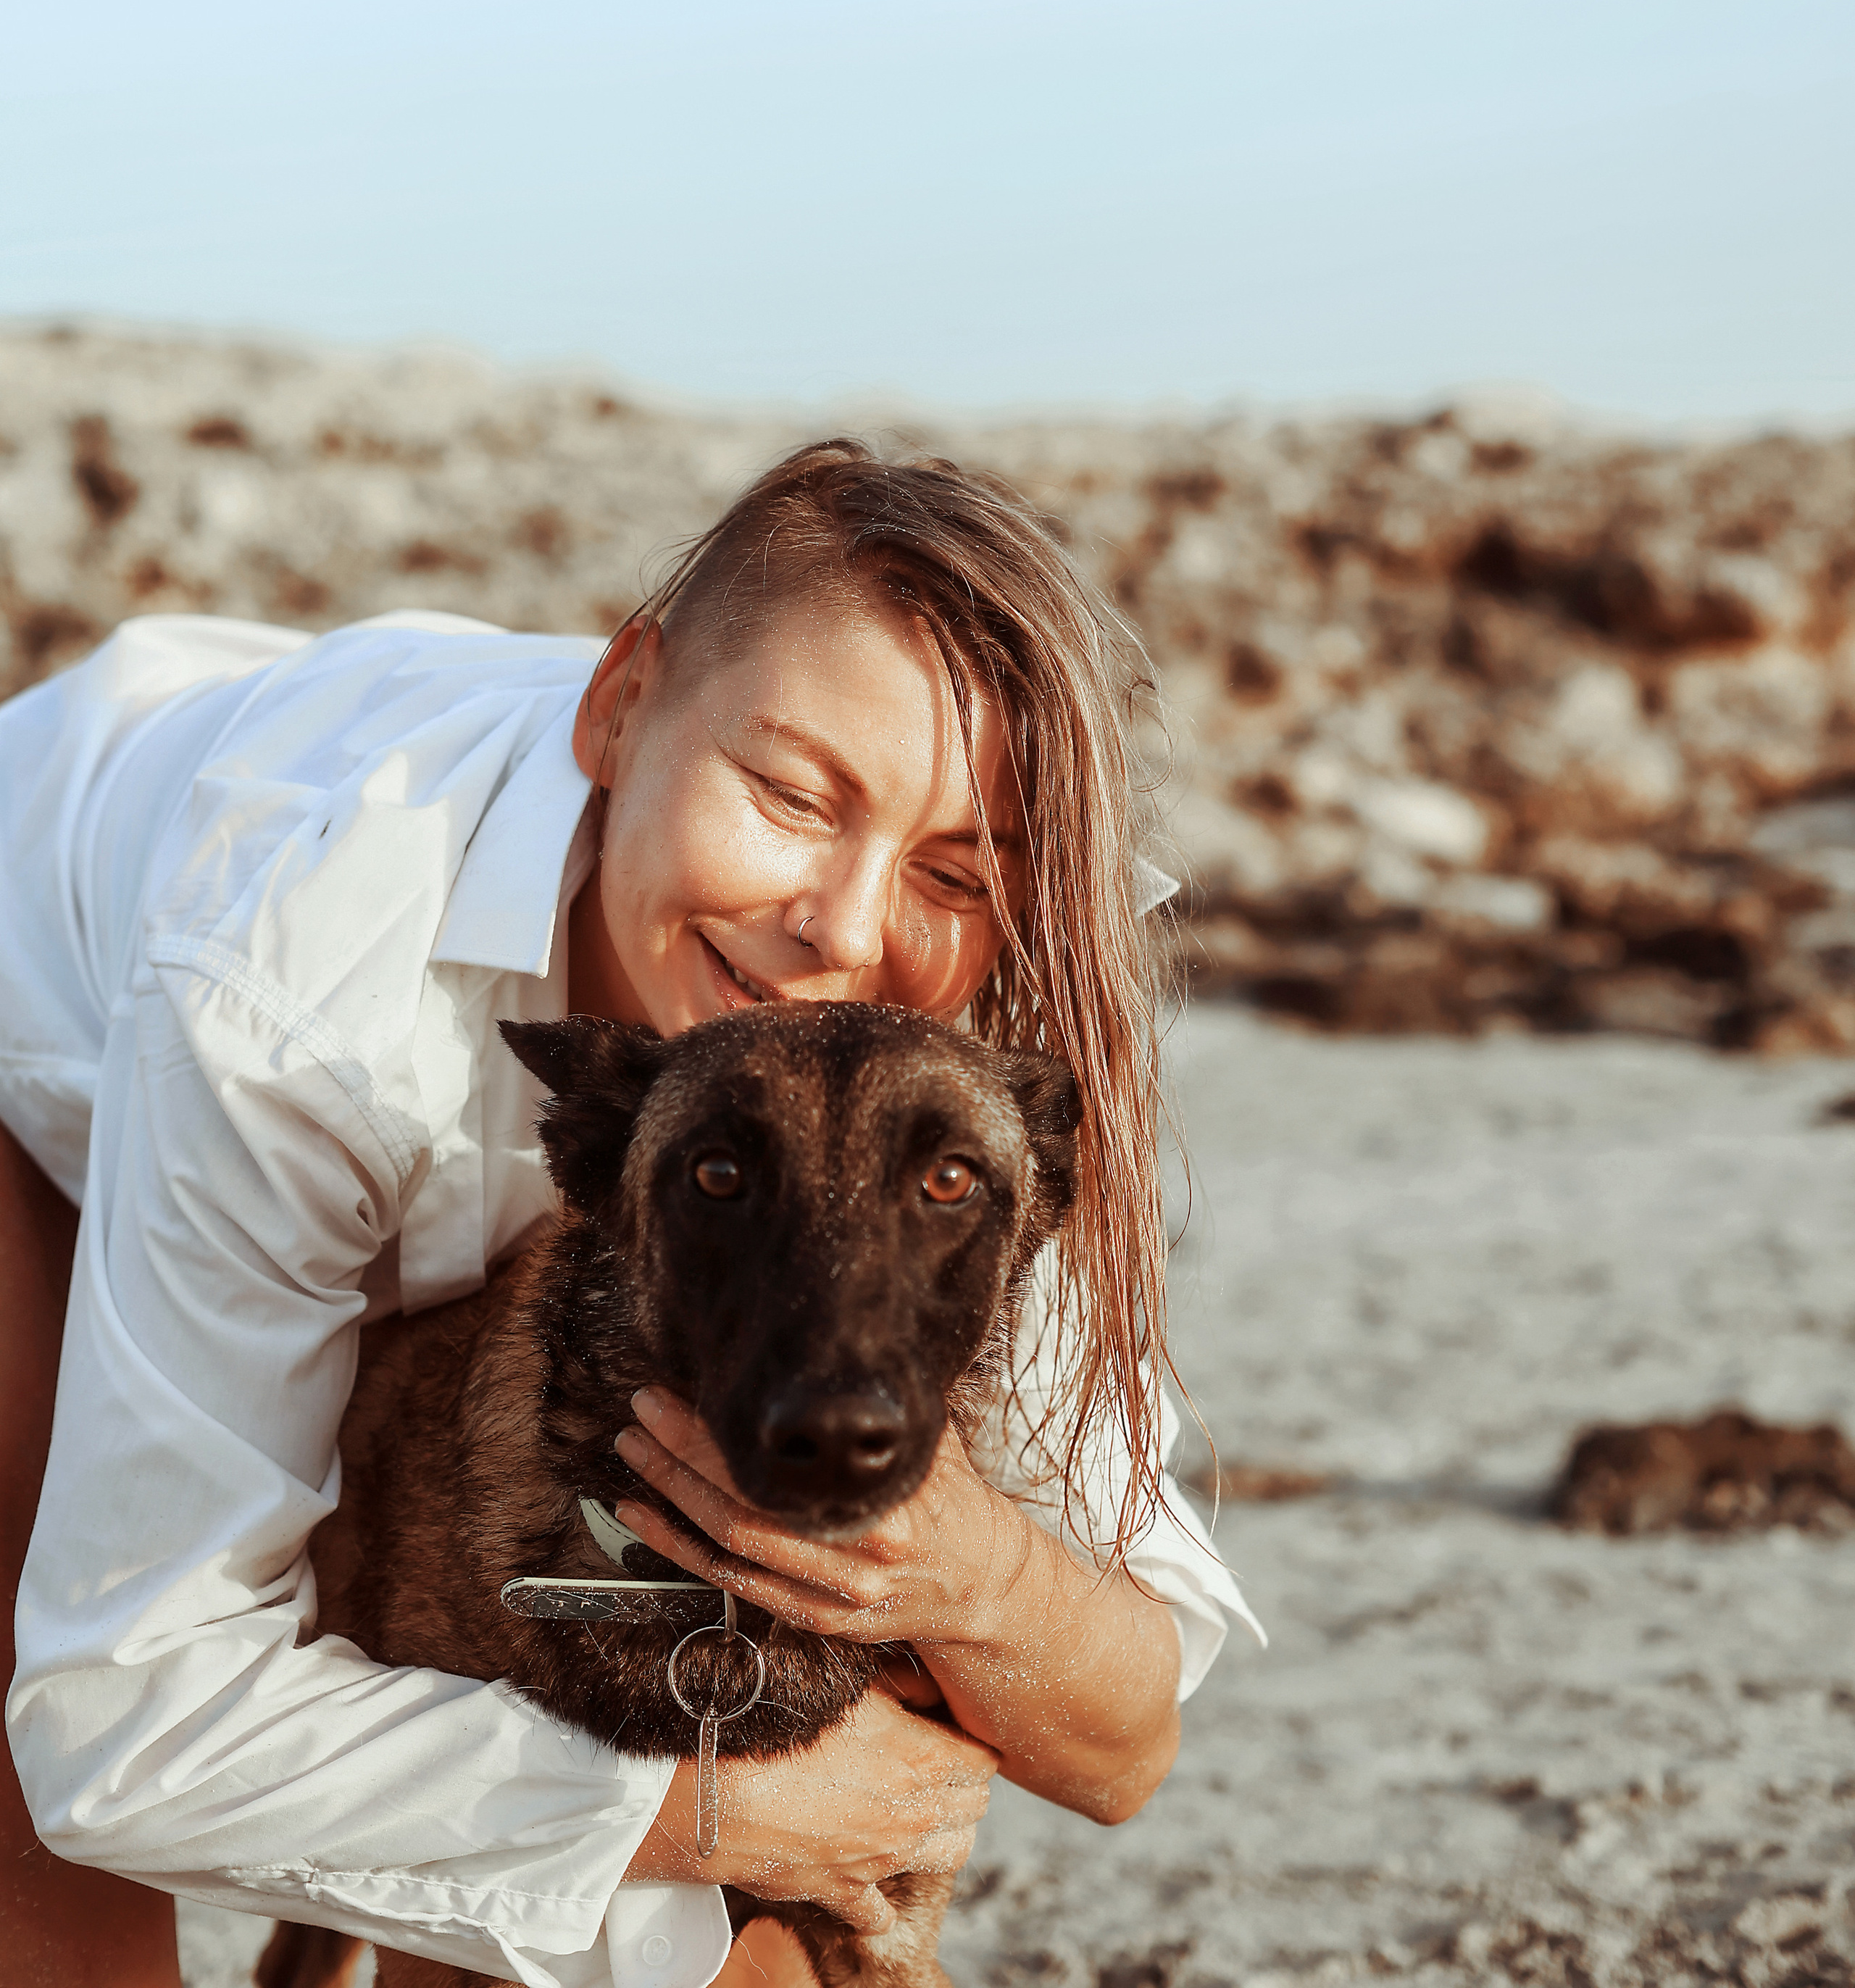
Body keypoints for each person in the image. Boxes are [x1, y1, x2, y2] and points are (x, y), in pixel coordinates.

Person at [1, 439, 1256, 1988]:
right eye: (789, 796)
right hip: (44, 995)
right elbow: (118, 1730)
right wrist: (703, 1813)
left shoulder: (975, 1024)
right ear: (619, 706)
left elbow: (1120, 1741)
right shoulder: (292, 993)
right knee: (39, 1706)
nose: (844, 930)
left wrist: (965, 1572)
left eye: (953, 868)